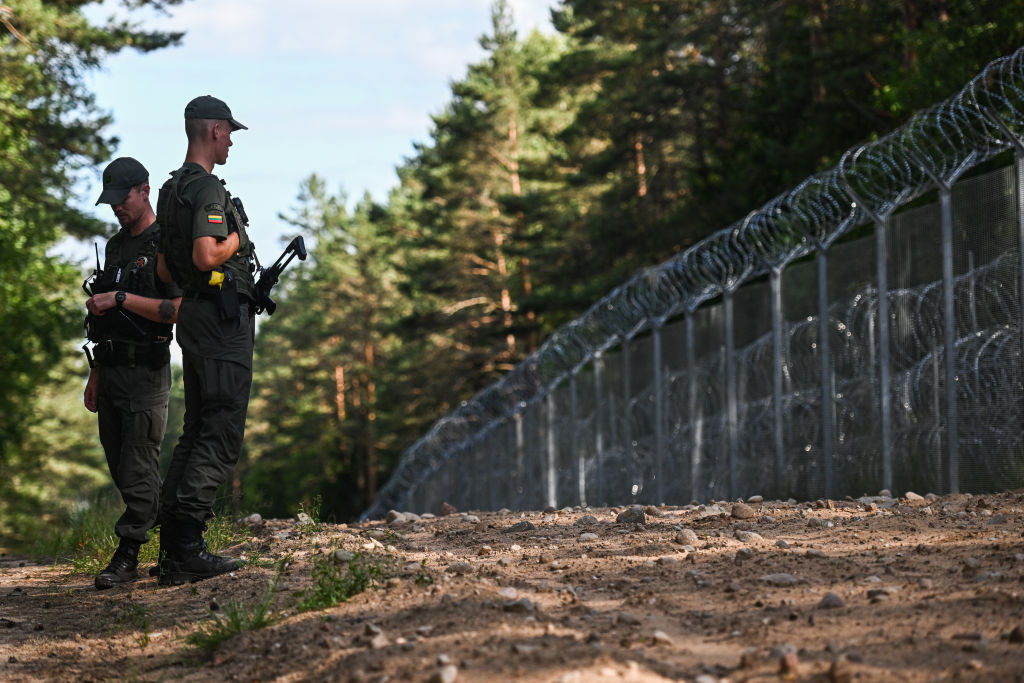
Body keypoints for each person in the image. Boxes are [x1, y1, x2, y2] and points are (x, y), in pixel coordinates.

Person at [154, 95, 256, 586]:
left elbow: (163, 270)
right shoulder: (208, 189)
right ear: (214, 130)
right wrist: (237, 238)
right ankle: (187, 550)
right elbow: (204, 255)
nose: (231, 141)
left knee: (196, 428)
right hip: (219, 323)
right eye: (229, 132)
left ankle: (172, 548)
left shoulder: (170, 190)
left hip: (193, 318)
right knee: (220, 431)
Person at [84, 156, 183, 590]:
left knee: (139, 466)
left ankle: (127, 556)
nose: (116, 208)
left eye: (122, 199)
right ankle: (179, 532)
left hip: (146, 372)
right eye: (110, 201)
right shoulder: (116, 246)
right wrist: (96, 373)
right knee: (122, 468)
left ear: (144, 191)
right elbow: (105, 320)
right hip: (111, 369)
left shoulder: (166, 243)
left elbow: (175, 310)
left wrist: (121, 298)